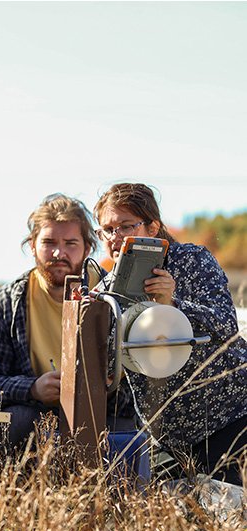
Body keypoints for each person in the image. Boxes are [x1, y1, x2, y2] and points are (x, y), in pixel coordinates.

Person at [94, 182, 246, 485]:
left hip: (231, 416)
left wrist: (174, 304)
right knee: (177, 522)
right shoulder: (103, 295)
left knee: (233, 519)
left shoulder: (193, 261)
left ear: (152, 227)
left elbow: (227, 326)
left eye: (126, 225)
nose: (115, 237)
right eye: (107, 229)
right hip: (167, 435)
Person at [0, 193, 136, 448]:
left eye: (71, 243)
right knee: (18, 420)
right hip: (37, 415)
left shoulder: (117, 296)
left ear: (88, 247)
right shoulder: (7, 301)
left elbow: (143, 387)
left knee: (130, 434)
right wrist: (32, 389)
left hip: (106, 413)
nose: (59, 253)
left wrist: (99, 389)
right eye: (49, 242)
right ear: (32, 244)